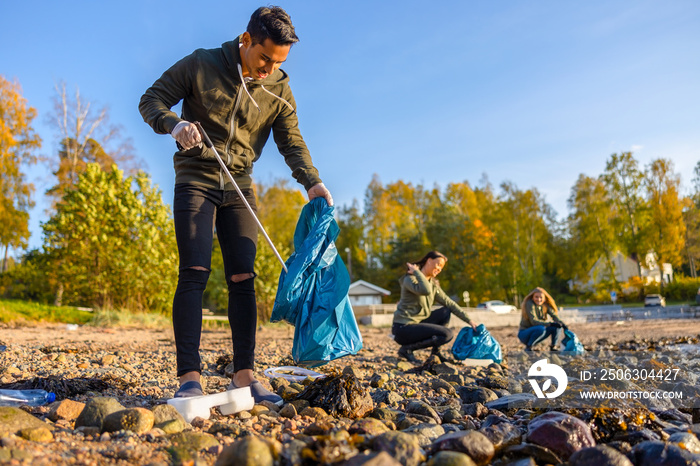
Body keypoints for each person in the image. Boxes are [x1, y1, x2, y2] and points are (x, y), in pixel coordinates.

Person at [139, 6, 333, 403]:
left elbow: (291, 142)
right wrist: (174, 125)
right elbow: (151, 100)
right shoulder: (201, 64)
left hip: (239, 185)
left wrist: (312, 182)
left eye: (278, 62)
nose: (269, 69)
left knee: (244, 277)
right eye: (265, 58)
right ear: (246, 40)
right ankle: (189, 378)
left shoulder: (278, 87)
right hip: (196, 178)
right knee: (194, 270)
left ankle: (244, 375)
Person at [392, 251, 478, 363]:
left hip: (417, 324)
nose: (440, 269)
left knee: (445, 311)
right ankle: (407, 349)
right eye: (438, 265)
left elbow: (450, 303)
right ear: (428, 261)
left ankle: (436, 352)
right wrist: (417, 272)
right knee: (447, 334)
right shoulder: (410, 279)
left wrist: (470, 321)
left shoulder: (432, 285)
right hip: (403, 328)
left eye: (442, 267)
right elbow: (425, 290)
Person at [518, 287, 567, 352]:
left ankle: (553, 347)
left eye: (541, 297)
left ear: (544, 298)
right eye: (536, 297)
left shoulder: (545, 305)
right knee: (541, 328)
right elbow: (534, 322)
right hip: (525, 334)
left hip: (538, 333)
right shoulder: (529, 304)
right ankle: (529, 347)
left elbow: (554, 316)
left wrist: (563, 325)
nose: (538, 299)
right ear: (532, 297)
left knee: (557, 327)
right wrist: (550, 324)